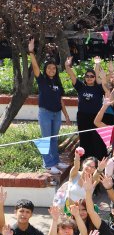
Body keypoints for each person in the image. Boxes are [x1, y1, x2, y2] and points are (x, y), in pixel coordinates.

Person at [28, 38, 71, 173]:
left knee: (54, 139)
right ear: (45, 69)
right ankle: (48, 164)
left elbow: (61, 101)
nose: (51, 70)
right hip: (45, 113)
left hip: (57, 113)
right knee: (45, 139)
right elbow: (35, 67)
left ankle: (56, 161)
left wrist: (67, 117)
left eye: (54, 68)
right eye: (49, 68)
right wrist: (31, 52)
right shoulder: (42, 81)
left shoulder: (57, 83)